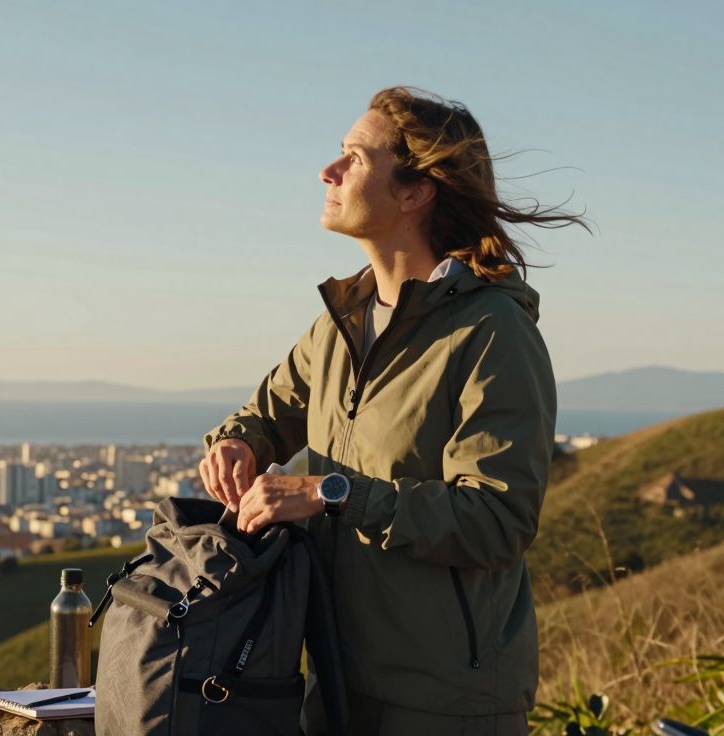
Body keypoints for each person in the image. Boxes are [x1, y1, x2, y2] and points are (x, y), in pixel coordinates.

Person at [198, 86, 591, 735]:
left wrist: (335, 492)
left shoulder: (491, 333)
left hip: (444, 704)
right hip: (332, 685)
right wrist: (236, 445)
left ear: (414, 192)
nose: (329, 171)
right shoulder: (341, 325)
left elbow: (497, 520)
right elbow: (262, 417)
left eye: (352, 157)